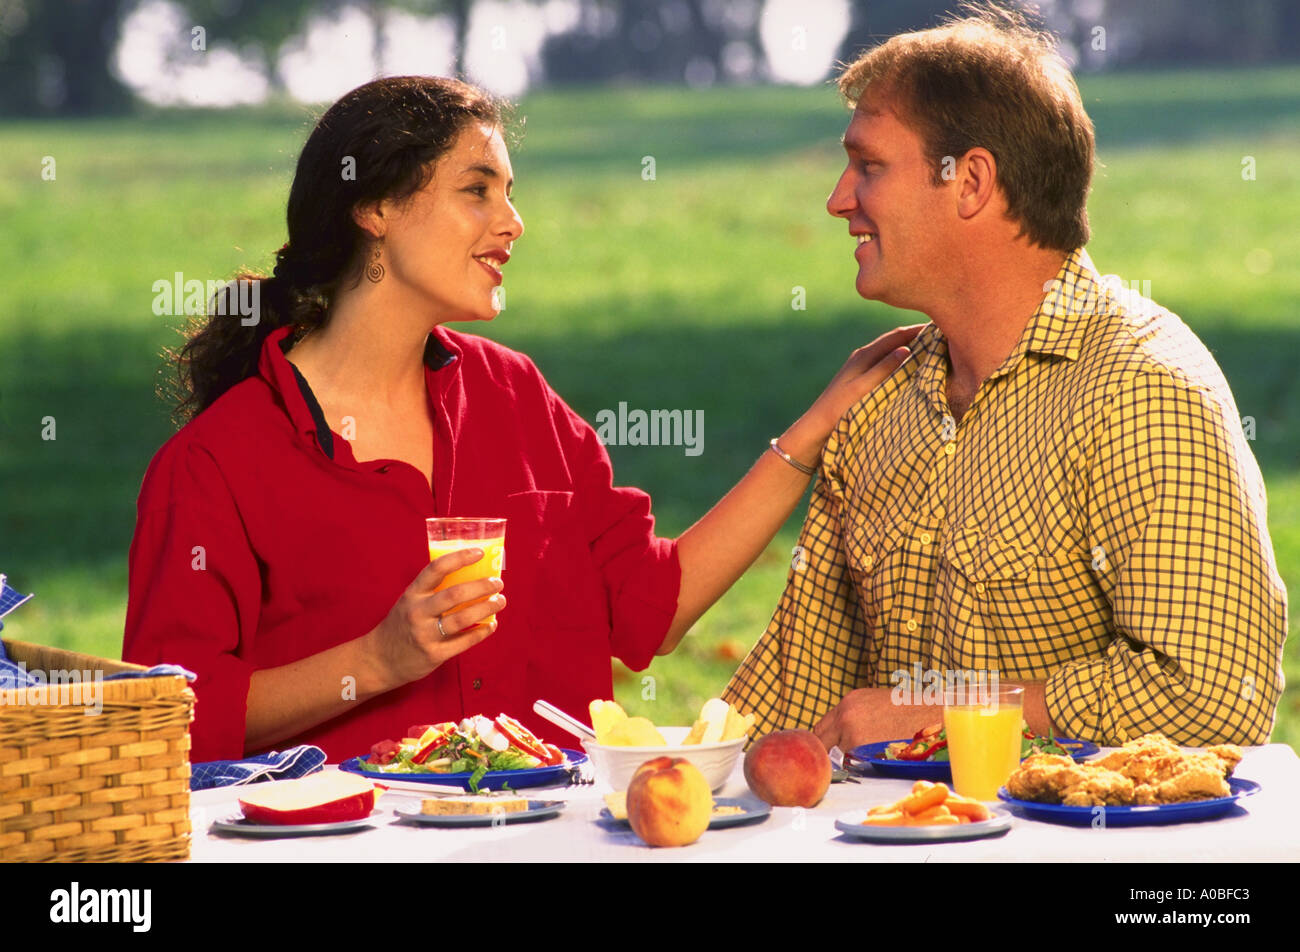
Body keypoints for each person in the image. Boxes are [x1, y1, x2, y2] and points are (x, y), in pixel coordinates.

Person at [122, 76, 913, 763]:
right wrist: (378, 657)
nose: (513, 222)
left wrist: (809, 435)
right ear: (376, 208)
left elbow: (652, 611)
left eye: (510, 192)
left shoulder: (515, 396)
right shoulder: (216, 465)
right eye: (478, 190)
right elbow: (171, 723)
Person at [723, 7, 1287, 750]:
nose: (838, 200)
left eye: (869, 167)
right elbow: (797, 703)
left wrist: (955, 710)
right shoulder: (872, 400)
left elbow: (1214, 695)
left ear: (971, 182)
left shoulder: (1145, 391)